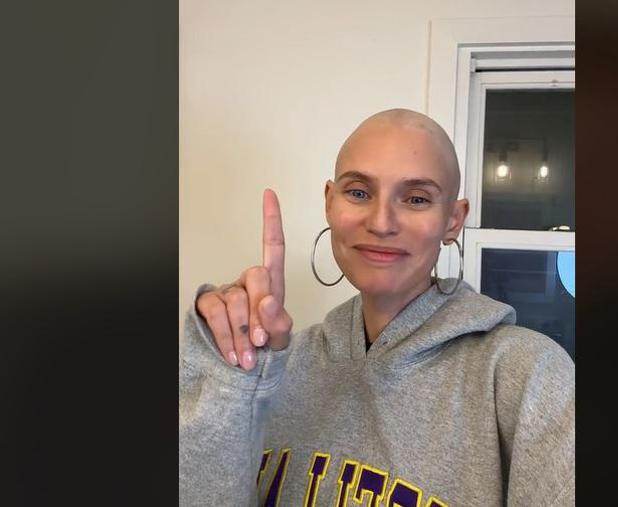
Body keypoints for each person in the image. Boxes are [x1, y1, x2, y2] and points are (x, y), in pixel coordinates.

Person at [179, 109, 574, 506]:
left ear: (453, 220)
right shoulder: (283, 365)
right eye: (359, 193)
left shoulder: (527, 375)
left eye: (417, 199)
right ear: (330, 202)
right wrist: (234, 380)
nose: (381, 223)